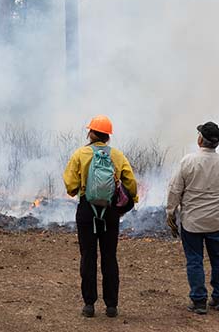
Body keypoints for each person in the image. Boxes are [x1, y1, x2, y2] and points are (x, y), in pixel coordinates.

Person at [62, 115, 138, 319]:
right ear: (107, 137)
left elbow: (70, 185)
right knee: (109, 257)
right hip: (111, 211)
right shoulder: (118, 156)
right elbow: (130, 183)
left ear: (91, 133)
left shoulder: (80, 154)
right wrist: (132, 200)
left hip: (87, 210)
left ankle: (89, 305)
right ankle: (111, 306)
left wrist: (79, 189)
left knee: (88, 256)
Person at [166, 121, 219, 315]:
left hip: (191, 222)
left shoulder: (188, 162)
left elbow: (175, 190)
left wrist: (171, 212)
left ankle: (199, 301)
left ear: (200, 139)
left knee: (194, 260)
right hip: (216, 223)